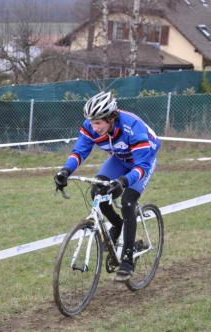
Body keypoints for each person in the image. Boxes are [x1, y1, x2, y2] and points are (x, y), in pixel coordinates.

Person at [54, 91, 160, 281]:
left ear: (111, 118)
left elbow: (142, 166)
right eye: (91, 122)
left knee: (128, 201)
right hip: (120, 160)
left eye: (98, 123)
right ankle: (117, 224)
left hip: (142, 162)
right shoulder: (90, 127)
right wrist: (65, 171)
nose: (94, 128)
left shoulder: (132, 128)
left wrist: (123, 181)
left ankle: (127, 260)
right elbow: (79, 151)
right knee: (98, 191)